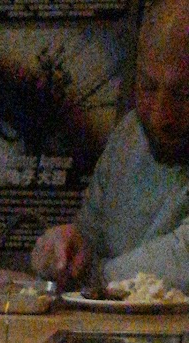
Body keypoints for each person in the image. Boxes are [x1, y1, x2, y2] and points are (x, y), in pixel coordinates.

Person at [31, 0, 189, 291]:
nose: (160, 115)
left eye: (183, 94)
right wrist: (66, 250)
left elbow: (183, 260)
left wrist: (96, 278)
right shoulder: (129, 136)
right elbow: (90, 239)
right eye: (148, 87)